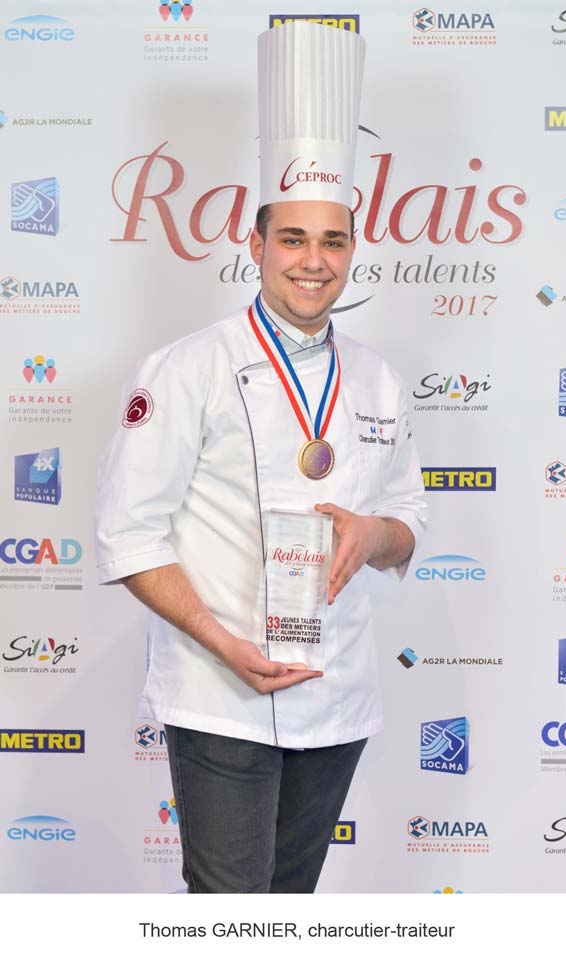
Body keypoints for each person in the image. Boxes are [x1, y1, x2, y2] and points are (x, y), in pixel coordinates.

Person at [92, 21, 426, 893]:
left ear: (353, 249)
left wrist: (375, 534)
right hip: (221, 693)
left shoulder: (381, 381)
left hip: (337, 693)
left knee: (291, 911)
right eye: (294, 240)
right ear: (257, 243)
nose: (313, 263)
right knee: (230, 914)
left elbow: (410, 526)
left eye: (334, 242)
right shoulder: (184, 369)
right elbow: (129, 536)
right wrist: (221, 641)